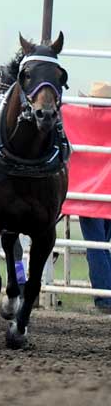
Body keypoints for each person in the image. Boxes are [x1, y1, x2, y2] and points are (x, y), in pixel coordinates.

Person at [78, 81, 111, 313]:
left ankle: (104, 298)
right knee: (105, 244)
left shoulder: (83, 122)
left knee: (95, 244)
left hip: (89, 192)